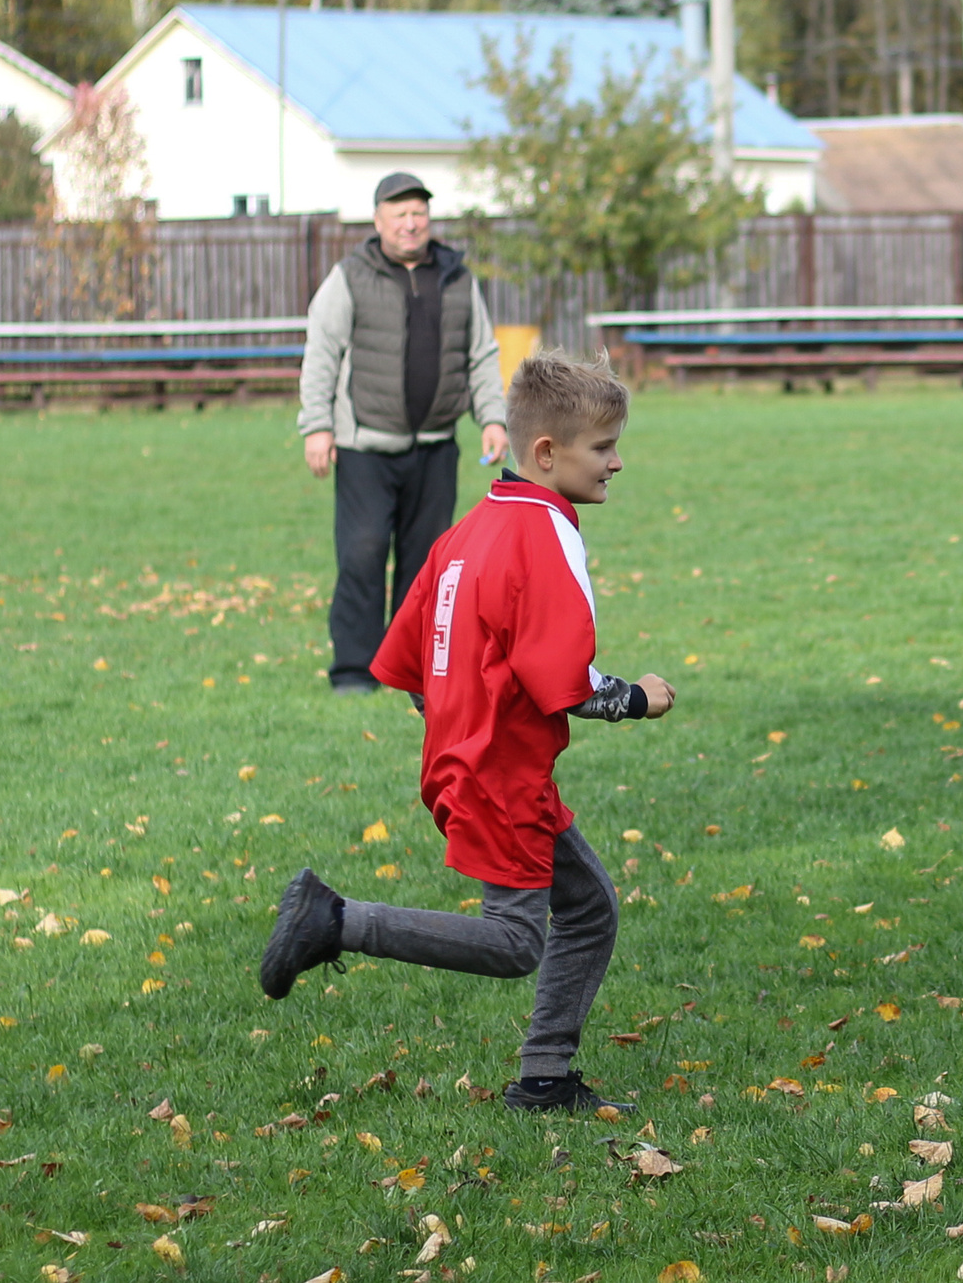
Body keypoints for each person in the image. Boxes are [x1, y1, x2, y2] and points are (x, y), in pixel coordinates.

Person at [258, 350, 676, 1114]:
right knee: (517, 941)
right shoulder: (546, 534)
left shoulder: (469, 530)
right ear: (546, 453)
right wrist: (639, 699)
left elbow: (409, 658)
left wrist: (464, 717)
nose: (618, 462)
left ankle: (546, 1079)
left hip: (473, 759)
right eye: (604, 447)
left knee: (588, 906)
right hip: (501, 772)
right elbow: (567, 684)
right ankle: (337, 921)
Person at [300, 172, 509, 693]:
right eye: (400, 215)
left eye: (419, 214)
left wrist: (493, 418)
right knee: (363, 553)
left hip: (436, 446)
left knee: (425, 567)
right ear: (378, 222)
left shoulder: (458, 278)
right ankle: (353, 670)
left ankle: (412, 672)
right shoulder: (350, 276)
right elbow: (321, 352)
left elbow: (481, 352)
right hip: (365, 444)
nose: (411, 224)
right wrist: (317, 427)